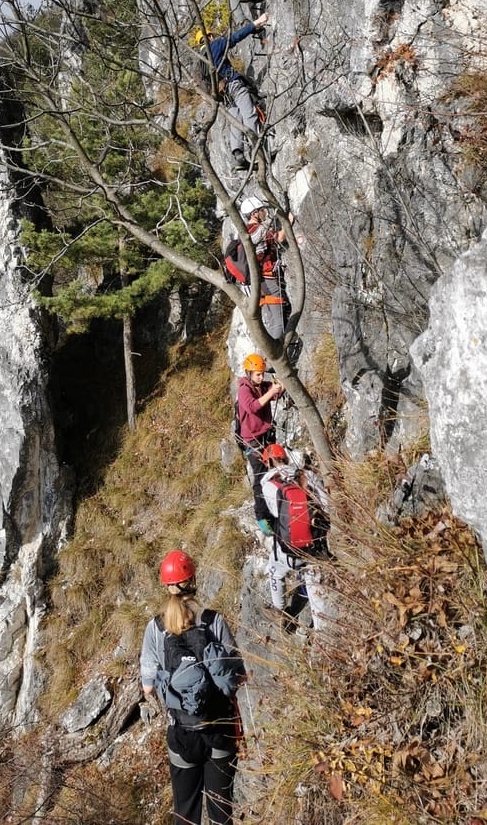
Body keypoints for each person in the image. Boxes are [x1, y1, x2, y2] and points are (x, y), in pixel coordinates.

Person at [140, 551, 246, 825]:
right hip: (220, 728)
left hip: (182, 732)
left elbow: (148, 687)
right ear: (194, 579)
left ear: (166, 585)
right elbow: (238, 674)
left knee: (185, 814)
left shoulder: (156, 627)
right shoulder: (213, 620)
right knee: (222, 813)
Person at [260, 446, 334, 634]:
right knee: (312, 581)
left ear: (268, 462)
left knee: (275, 570)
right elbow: (326, 505)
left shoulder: (268, 484)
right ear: (284, 458)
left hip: (287, 551)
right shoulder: (307, 476)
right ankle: (321, 633)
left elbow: (276, 514)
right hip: (314, 548)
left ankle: (281, 612)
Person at [195, 16, 269, 170]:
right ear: (209, 37)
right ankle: (258, 149)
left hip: (223, 95)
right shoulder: (215, 45)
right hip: (233, 85)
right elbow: (235, 37)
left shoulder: (200, 61)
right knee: (249, 114)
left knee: (237, 120)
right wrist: (256, 23)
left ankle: (238, 154)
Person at [236, 353, 284, 533]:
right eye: (257, 374)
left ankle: (276, 508)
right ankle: (262, 516)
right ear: (248, 373)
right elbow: (253, 407)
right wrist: (271, 392)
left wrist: (279, 387)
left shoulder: (261, 386)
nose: (261, 377)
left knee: (274, 471)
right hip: (253, 440)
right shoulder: (244, 390)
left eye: (262, 373)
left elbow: (275, 393)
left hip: (266, 436)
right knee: (261, 475)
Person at [241, 195, 292, 338]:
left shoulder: (247, 230)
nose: (264, 212)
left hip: (260, 282)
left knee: (272, 319)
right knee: (278, 320)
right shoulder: (256, 230)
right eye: (262, 210)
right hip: (267, 279)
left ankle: (272, 352)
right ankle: (277, 354)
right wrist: (290, 220)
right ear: (254, 214)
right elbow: (280, 238)